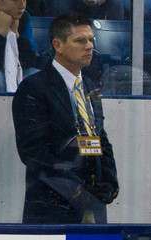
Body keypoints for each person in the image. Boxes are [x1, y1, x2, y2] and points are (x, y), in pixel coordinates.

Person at [12, 12, 119, 223]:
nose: (89, 46)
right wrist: (78, 191)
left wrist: (110, 182)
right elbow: (34, 153)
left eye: (91, 40)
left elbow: (100, 138)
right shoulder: (33, 88)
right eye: (80, 40)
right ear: (58, 45)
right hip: (53, 208)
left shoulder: (88, 86)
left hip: (92, 206)